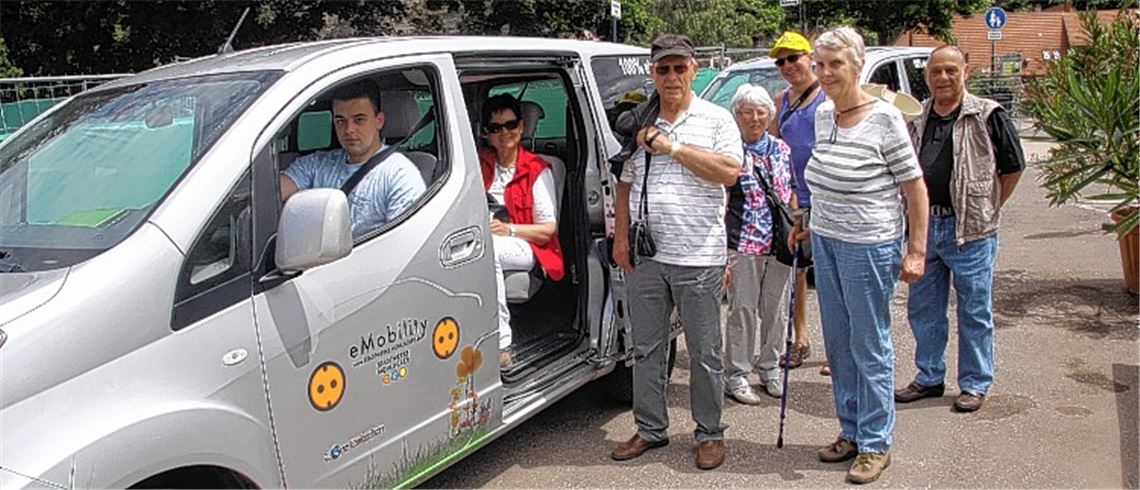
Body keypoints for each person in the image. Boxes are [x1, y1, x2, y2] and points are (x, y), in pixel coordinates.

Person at [793, 27, 929, 484]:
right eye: (821, 64)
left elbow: (915, 188)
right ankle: (850, 431)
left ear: (857, 66)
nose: (826, 72)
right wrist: (807, 217)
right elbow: (824, 175)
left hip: (870, 244)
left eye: (836, 64)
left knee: (869, 344)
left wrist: (916, 250)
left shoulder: (885, 119)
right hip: (827, 240)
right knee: (838, 341)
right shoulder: (823, 115)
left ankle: (875, 443)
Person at [609, 33, 743, 471]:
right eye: (662, 68)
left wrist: (673, 147)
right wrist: (622, 237)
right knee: (646, 348)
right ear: (652, 72)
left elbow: (728, 172)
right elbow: (626, 183)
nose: (671, 76)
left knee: (704, 352)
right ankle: (650, 428)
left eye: (678, 67)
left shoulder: (717, 119)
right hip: (648, 257)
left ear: (694, 69)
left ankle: (709, 433)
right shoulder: (639, 120)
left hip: (699, 256)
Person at [895, 45, 1025, 413]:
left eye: (951, 70)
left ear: (966, 71)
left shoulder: (987, 115)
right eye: (936, 71)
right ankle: (929, 376)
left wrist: (989, 205)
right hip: (925, 228)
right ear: (927, 75)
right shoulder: (917, 117)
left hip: (971, 231)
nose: (943, 78)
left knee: (974, 310)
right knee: (923, 309)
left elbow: (1013, 167)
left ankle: (975, 382)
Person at [478, 94, 564, 369]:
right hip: (484, 235)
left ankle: (501, 341)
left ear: (521, 126)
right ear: (486, 133)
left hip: (528, 245)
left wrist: (509, 229)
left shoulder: (537, 170)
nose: (504, 133)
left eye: (510, 124)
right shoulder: (479, 163)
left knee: (484, 251)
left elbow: (548, 230)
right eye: (495, 127)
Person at [280, 80, 426, 238]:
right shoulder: (317, 164)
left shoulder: (399, 175)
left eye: (359, 119)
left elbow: (404, 243)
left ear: (379, 121)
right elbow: (270, 194)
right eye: (340, 121)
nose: (348, 130)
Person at [722, 83, 794, 405]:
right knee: (743, 310)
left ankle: (770, 367)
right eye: (746, 112)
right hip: (744, 242)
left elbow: (790, 190)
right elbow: (721, 200)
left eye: (760, 112)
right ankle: (736, 374)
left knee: (776, 310)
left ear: (769, 115)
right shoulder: (729, 152)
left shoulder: (781, 150)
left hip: (779, 243)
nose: (754, 118)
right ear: (736, 116)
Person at [768, 31, 826, 375]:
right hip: (797, 199)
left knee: (835, 276)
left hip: (829, 199)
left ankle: (841, 348)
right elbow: (775, 147)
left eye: (794, 58)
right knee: (798, 273)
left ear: (810, 58)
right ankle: (800, 338)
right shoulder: (782, 101)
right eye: (781, 61)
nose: (788, 66)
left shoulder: (828, 98)